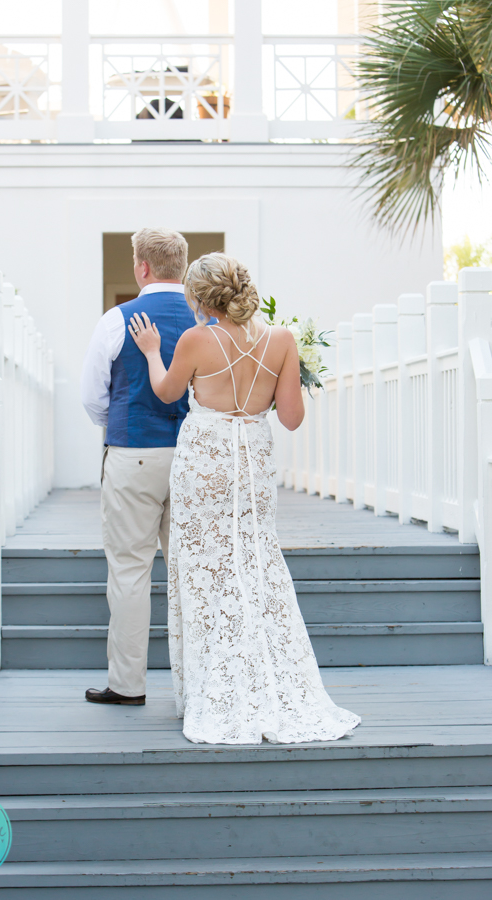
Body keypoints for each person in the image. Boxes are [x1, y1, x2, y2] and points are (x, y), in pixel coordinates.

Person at [129, 252, 361, 744]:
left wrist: (152, 350)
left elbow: (168, 393)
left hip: (205, 463)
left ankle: (211, 688)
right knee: (255, 561)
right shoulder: (281, 339)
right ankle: (269, 680)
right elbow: (292, 418)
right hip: (252, 460)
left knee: (205, 569)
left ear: (200, 296)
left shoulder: (195, 339)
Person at [81, 228, 197, 706]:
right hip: (193, 456)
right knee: (190, 572)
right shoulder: (205, 319)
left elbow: (92, 398)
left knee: (129, 571)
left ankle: (128, 685)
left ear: (142, 267)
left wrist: (122, 426)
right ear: (183, 267)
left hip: (132, 454)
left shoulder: (117, 319)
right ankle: (198, 686)